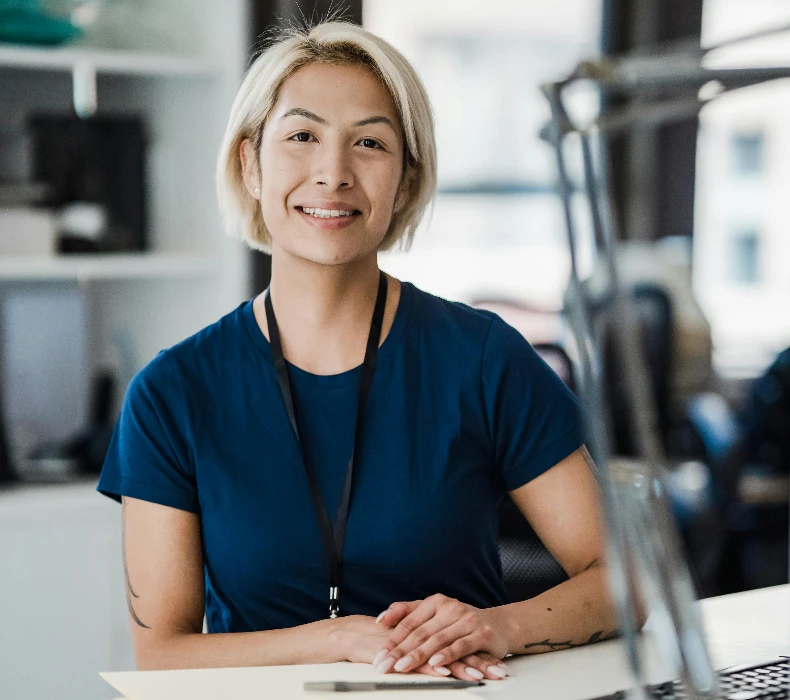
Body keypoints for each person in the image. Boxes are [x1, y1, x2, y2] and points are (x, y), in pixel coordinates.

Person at [97, 21, 616, 681]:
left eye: (369, 143)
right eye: (302, 136)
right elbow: (162, 653)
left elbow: (626, 580)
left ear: (404, 178)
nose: (333, 173)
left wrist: (499, 624)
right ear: (250, 164)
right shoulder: (172, 393)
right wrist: (338, 639)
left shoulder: (484, 359)